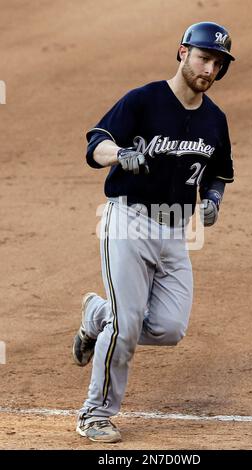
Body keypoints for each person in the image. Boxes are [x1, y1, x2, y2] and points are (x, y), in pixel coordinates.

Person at [73, 21, 235, 443]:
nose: (209, 69)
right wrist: (120, 154)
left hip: (175, 232)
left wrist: (214, 201)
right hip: (129, 221)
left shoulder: (215, 120)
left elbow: (218, 173)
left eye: (217, 63)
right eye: (204, 57)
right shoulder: (143, 100)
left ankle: (97, 315)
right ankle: (95, 413)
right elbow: (96, 144)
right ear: (183, 53)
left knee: (169, 328)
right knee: (126, 328)